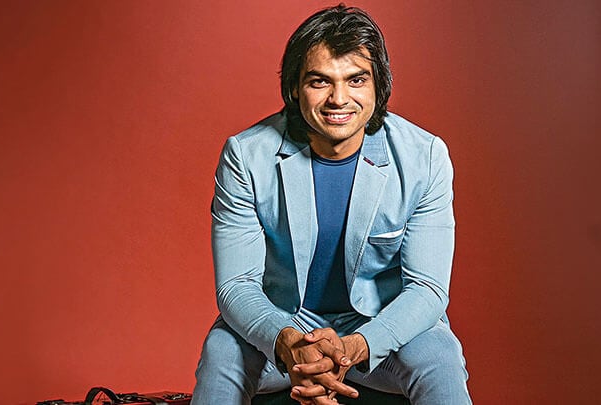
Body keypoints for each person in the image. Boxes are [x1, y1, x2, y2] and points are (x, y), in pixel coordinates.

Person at [192, 5, 471, 404]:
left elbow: (427, 289)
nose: (339, 99)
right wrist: (287, 341)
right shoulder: (246, 155)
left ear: (378, 86)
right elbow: (237, 285)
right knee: (222, 350)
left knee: (440, 355)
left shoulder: (424, 157)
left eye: (356, 80)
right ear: (294, 88)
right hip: (283, 321)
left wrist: (357, 345)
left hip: (378, 322)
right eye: (320, 81)